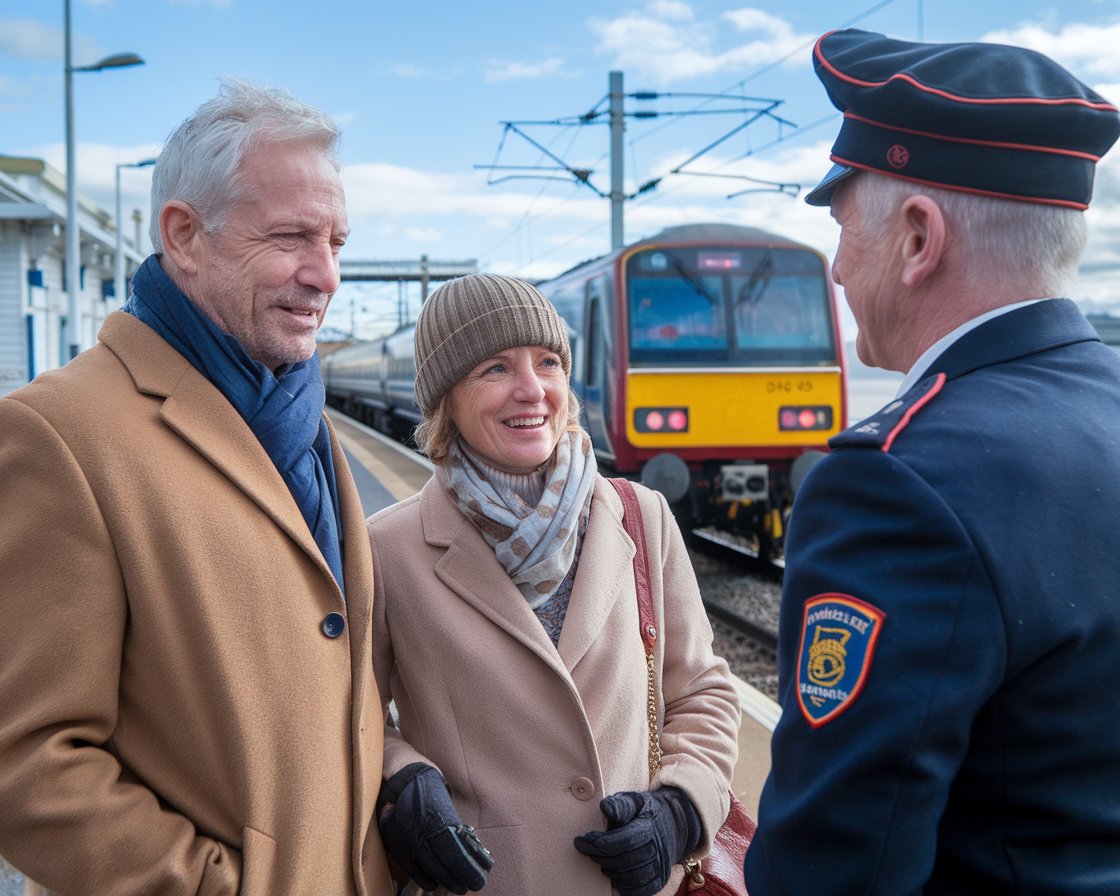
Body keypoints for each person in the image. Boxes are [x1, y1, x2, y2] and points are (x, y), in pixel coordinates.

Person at [744, 28, 1120, 896]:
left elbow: (838, 866)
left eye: (844, 229)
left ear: (919, 238)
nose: (838, 269)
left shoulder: (897, 482)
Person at [0, 79, 393, 894]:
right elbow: (25, 761)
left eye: (338, 242)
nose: (326, 275)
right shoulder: (57, 435)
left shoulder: (290, 408)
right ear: (184, 235)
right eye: (292, 236)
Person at [367, 272, 741, 896]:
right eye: (495, 368)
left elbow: (702, 687)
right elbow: (352, 717)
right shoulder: (386, 549)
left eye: (548, 362)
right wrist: (401, 779)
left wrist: (680, 810)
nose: (532, 390)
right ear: (445, 399)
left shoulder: (639, 515)